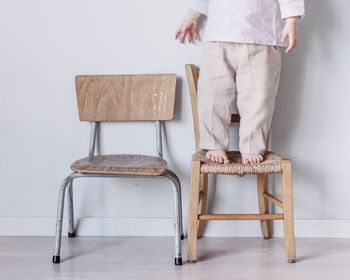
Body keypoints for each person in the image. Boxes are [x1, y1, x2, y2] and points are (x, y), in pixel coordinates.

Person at [176, 0, 305, 164]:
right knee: (212, 93)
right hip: (219, 35)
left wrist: (291, 20)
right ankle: (214, 142)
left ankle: (252, 144)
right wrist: (193, 16)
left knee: (259, 99)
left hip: (262, 37)